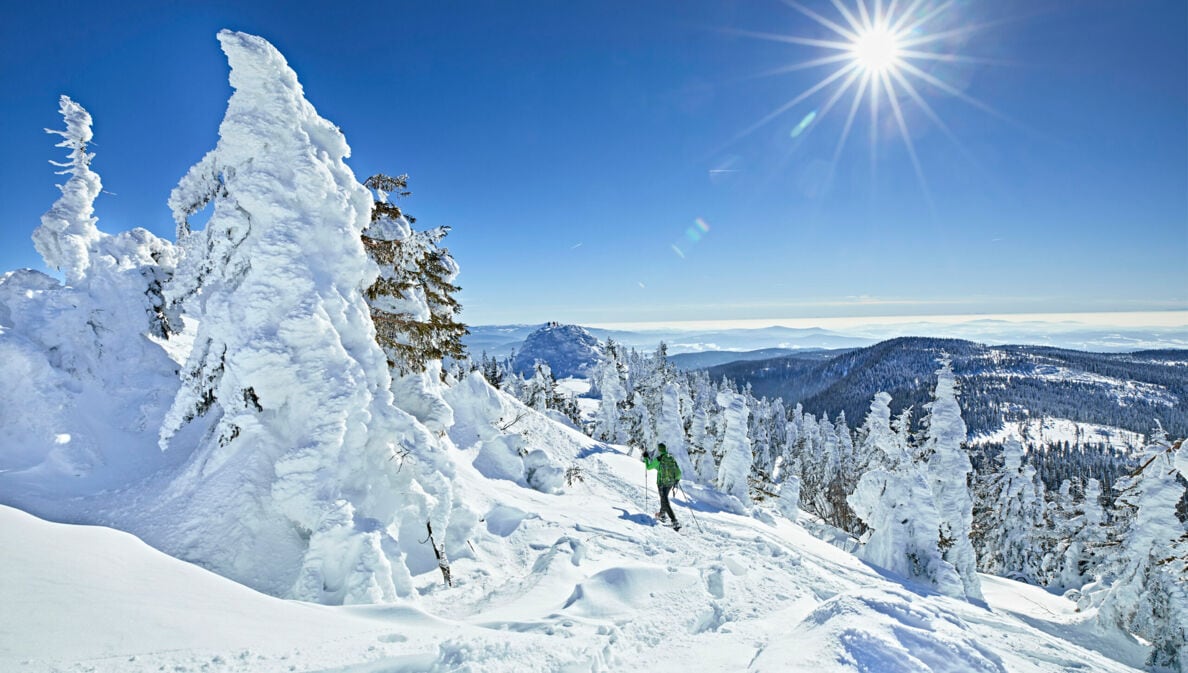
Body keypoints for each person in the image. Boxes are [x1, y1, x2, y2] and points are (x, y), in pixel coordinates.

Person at [644, 442, 682, 531]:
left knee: (664, 500)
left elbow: (649, 467)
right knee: (663, 498)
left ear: (660, 450)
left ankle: (674, 521)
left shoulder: (659, 459)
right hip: (670, 483)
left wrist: (646, 458)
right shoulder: (671, 458)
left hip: (661, 483)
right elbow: (678, 471)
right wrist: (676, 479)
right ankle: (662, 515)